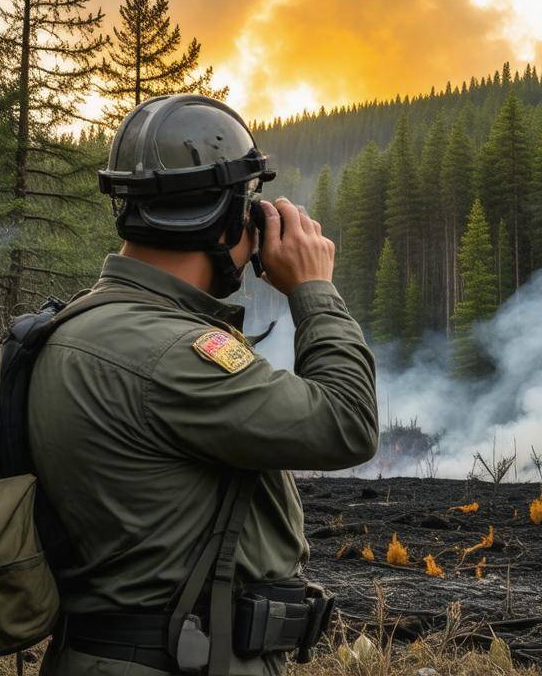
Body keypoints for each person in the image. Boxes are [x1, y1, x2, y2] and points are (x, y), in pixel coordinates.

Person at [28, 94, 378, 675]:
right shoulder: (170, 353)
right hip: (176, 661)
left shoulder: (77, 327)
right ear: (224, 216)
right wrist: (314, 287)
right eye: (248, 203)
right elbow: (348, 423)